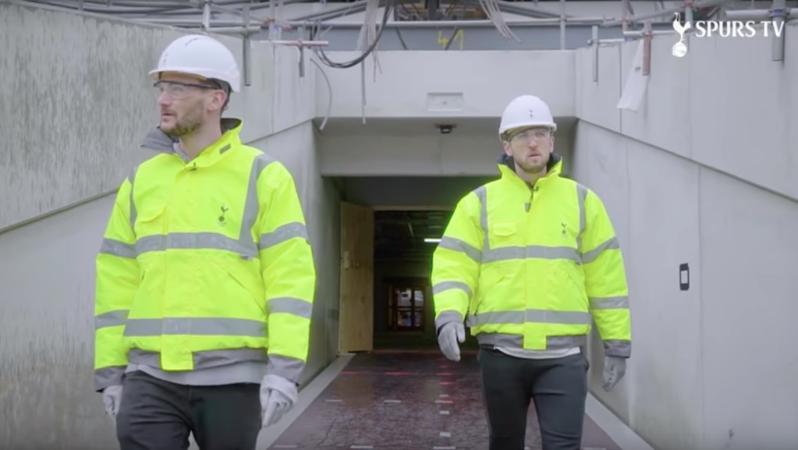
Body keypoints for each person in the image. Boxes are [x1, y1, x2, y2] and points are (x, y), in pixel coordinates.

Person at [93, 34, 316, 450]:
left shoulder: (263, 176)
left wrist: (284, 370)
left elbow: (291, 281)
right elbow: (116, 279)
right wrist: (111, 372)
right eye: (161, 87)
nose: (164, 99)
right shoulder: (142, 180)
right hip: (149, 379)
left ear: (216, 99)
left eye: (178, 88)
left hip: (233, 379)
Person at [431, 95, 631, 450]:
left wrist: (617, 345)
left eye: (540, 132)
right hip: (501, 357)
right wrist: (449, 315)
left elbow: (606, 278)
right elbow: (454, 264)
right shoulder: (478, 204)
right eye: (522, 135)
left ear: (553, 140)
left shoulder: (584, 202)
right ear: (506, 145)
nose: (533, 142)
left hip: (564, 360)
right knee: (505, 444)